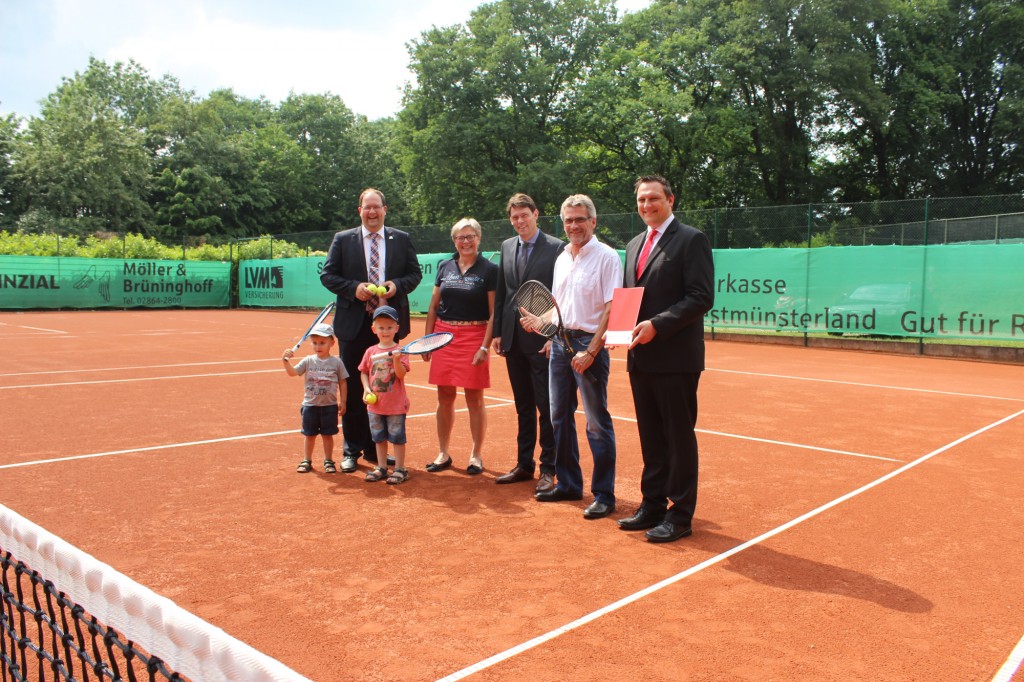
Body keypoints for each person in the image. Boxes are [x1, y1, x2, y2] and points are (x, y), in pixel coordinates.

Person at [618, 175, 714, 543]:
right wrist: (618, 330)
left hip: (675, 357)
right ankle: (652, 504)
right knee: (651, 436)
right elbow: (630, 297)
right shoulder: (632, 245)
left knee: (677, 437)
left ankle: (681, 514)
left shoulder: (691, 239)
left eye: (654, 198)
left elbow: (701, 296)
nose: (646, 205)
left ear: (670, 199)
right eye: (641, 200)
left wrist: (658, 325)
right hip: (640, 356)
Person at [526, 195, 622, 520]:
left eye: (580, 219)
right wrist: (546, 330)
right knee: (558, 417)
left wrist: (591, 350)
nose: (573, 226)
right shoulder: (562, 257)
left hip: (588, 345)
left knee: (596, 423)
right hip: (560, 344)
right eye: (568, 220)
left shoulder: (608, 257)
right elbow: (559, 307)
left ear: (593, 222)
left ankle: (604, 495)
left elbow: (612, 307)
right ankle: (568, 483)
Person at [320, 188, 422, 474]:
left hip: (388, 328)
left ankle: (376, 449)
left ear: (385, 209)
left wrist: (396, 286)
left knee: (386, 388)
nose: (372, 212)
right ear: (360, 210)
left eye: (377, 207)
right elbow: (328, 275)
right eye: (367, 208)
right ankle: (352, 449)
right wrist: (355, 289)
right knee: (355, 389)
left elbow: (415, 274)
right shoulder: (343, 240)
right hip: (354, 325)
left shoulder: (401, 239)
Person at [492, 193, 563, 493]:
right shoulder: (507, 246)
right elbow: (503, 291)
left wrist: (553, 335)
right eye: (515, 217)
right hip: (512, 338)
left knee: (545, 407)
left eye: (525, 215)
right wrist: (498, 332)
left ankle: (549, 468)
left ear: (536, 214)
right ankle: (524, 464)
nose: (520, 221)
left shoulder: (557, 248)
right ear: (511, 219)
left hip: (541, 338)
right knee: (522, 405)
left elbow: (560, 295)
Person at [423, 218, 498, 475]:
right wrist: (428, 341)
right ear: (454, 240)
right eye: (460, 237)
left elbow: (493, 313)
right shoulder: (445, 267)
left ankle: (476, 455)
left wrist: (485, 347)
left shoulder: (489, 270)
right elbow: (433, 307)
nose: (465, 241)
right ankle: (443, 452)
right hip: (444, 336)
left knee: (474, 399)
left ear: (479, 238)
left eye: (470, 236)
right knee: (444, 397)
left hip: (475, 336)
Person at [280, 323, 348, 474]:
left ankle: (328, 460)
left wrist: (343, 401)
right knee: (309, 435)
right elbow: (293, 373)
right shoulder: (308, 360)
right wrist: (286, 362)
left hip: (329, 406)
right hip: (310, 406)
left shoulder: (337, 362)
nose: (318, 346)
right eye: (315, 342)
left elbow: (343, 382)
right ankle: (306, 460)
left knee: (327, 435)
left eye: (322, 343)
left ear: (332, 343)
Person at [357, 306, 412, 484]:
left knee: (397, 438)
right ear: (374, 329)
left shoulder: (400, 351)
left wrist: (396, 359)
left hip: (396, 405)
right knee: (378, 438)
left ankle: (400, 469)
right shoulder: (370, 351)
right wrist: (366, 389)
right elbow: (364, 372)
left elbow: (401, 374)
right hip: (375, 405)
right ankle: (381, 467)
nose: (385, 331)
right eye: (381, 327)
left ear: (397, 328)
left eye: (389, 327)